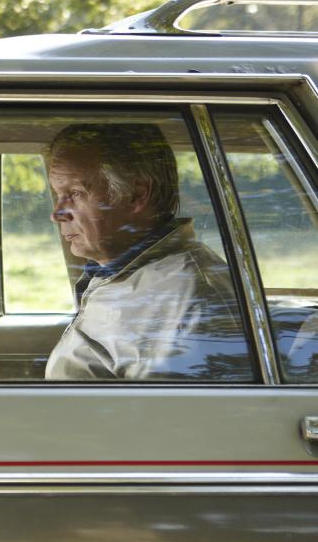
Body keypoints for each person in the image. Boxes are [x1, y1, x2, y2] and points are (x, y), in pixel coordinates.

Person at [43, 124, 254, 381]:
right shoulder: (131, 276)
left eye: (75, 194)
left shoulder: (187, 299)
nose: (57, 214)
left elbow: (161, 407)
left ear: (137, 195)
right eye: (58, 194)